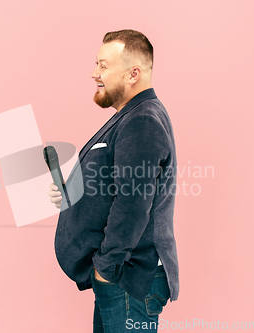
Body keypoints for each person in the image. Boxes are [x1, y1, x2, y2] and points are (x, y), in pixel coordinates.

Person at [48, 29, 179, 333]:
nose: (95, 74)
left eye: (104, 66)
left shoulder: (142, 120)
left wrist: (106, 268)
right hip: (122, 275)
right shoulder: (131, 116)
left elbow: (133, 203)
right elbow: (118, 187)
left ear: (133, 73)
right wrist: (74, 195)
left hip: (127, 277)